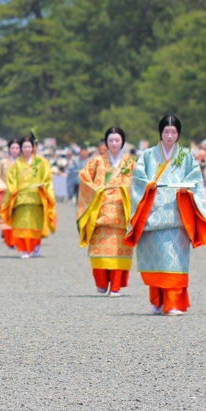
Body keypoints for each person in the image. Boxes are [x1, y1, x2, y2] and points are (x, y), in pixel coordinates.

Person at [125, 114, 206, 316]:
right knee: (155, 260)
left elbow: (195, 180)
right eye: (166, 131)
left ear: (179, 134)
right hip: (152, 215)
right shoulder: (148, 156)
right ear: (160, 132)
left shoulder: (185, 156)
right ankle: (157, 301)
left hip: (176, 215)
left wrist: (187, 190)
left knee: (174, 261)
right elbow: (138, 180)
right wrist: (149, 187)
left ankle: (172, 303)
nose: (170, 135)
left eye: (174, 132)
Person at [77, 127, 136, 296]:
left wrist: (126, 189)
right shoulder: (97, 162)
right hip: (100, 209)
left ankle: (116, 286)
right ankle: (102, 282)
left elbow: (138, 182)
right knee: (100, 251)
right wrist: (97, 190)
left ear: (122, 142)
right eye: (111, 140)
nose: (114, 143)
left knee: (119, 251)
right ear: (106, 142)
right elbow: (84, 178)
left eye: (117, 140)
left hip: (121, 209)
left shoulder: (130, 162)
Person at [0, 133, 57, 258]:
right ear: (21, 148)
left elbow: (47, 178)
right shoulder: (17, 164)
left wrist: (44, 187)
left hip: (37, 199)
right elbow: (11, 180)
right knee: (22, 225)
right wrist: (14, 190)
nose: (27, 149)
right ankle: (24, 249)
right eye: (24, 147)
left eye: (29, 147)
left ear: (33, 148)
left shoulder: (41, 162)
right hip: (21, 200)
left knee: (35, 225)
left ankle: (35, 246)